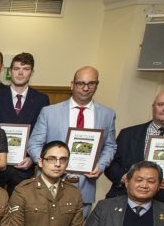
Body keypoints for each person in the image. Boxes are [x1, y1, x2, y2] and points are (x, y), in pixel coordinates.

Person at [27, 66, 117, 215]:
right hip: (49, 184)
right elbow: (34, 144)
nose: (86, 88)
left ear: (97, 85)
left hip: (84, 186)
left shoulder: (107, 114)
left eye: (91, 83)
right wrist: (48, 165)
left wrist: (100, 166)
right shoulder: (50, 112)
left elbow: (110, 146)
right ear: (72, 84)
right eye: (81, 83)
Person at [0, 52, 49, 194]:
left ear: (32, 72)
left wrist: (33, 158)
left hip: (24, 168)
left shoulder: (42, 100)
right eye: (16, 68)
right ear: (10, 71)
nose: (20, 73)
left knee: (20, 211)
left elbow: (43, 133)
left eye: (25, 69)